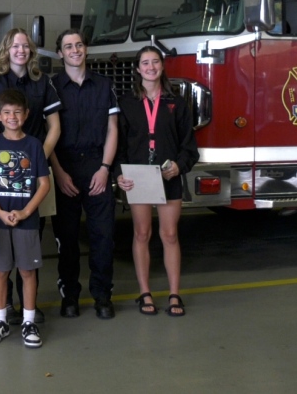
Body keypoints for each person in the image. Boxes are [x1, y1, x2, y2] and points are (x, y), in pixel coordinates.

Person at [0, 28, 60, 324]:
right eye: (15, 46)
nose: (21, 50)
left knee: (31, 239)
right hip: (2, 172)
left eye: (26, 46)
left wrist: (34, 156)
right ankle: (5, 306)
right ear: (6, 49)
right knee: (2, 251)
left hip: (32, 170)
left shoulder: (43, 82)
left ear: (32, 50)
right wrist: (5, 157)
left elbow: (54, 127)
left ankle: (28, 306)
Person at [114, 46, 199, 317]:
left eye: (155, 62)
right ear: (138, 69)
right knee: (141, 233)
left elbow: (190, 147)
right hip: (139, 178)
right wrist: (120, 174)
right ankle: (145, 292)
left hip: (168, 176)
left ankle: (175, 294)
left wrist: (179, 166)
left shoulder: (177, 102)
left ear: (162, 67)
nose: (150, 67)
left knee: (170, 235)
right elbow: (119, 146)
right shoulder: (127, 103)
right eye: (145, 63)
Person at [48, 29, 119, 319]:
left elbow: (113, 129)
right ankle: (70, 296)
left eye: (79, 45)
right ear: (60, 53)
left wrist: (105, 169)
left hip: (97, 165)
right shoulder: (51, 87)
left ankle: (102, 295)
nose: (74, 50)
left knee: (103, 237)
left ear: (86, 50)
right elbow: (48, 134)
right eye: (68, 46)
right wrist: (59, 173)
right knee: (67, 239)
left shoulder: (104, 85)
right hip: (63, 168)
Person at [0, 89, 50, 348]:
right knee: (0, 271)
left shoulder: (33, 145)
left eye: (17, 112)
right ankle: (0, 321)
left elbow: (43, 184)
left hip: (26, 220)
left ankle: (29, 321)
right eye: (6, 112)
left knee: (27, 271)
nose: (12, 117)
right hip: (0, 219)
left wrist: (25, 212)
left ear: (26, 114)